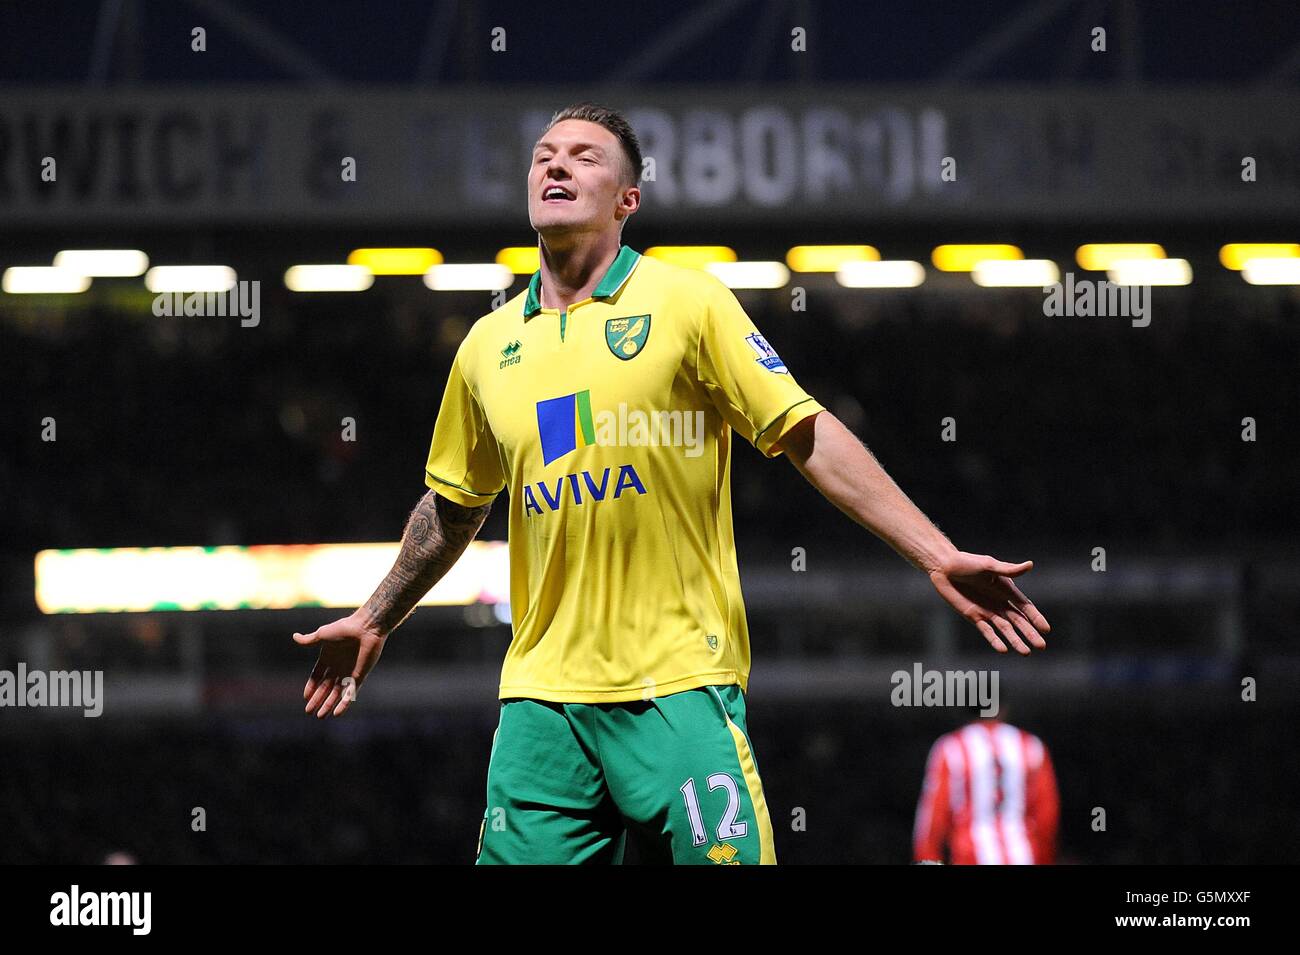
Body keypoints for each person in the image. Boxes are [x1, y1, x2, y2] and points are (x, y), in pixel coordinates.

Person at [293, 102, 1050, 865]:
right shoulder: (488, 348)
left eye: (585, 157)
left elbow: (805, 431)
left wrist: (934, 553)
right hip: (541, 703)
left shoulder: (687, 304)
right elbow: (455, 505)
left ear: (628, 200)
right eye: (544, 155)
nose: (555, 165)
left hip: (678, 684)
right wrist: (376, 616)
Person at [913, 706, 1060, 864]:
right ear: (1003, 709)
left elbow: (931, 819)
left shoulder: (951, 747)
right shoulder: (1031, 745)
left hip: (971, 856)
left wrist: (927, 857)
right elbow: (1047, 816)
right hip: (1023, 855)